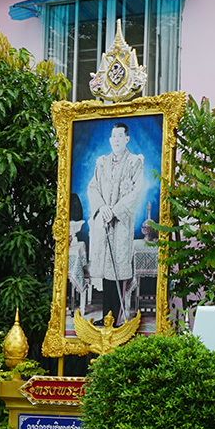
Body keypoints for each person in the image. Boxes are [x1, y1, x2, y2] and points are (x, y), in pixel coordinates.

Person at [86, 122, 145, 322]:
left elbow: (136, 192)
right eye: (114, 137)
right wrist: (102, 208)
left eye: (120, 137)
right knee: (106, 273)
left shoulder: (134, 162)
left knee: (118, 271)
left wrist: (116, 211)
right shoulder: (101, 162)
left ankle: (118, 319)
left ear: (126, 139)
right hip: (104, 222)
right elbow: (92, 187)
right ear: (110, 140)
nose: (116, 140)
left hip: (121, 224)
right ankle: (107, 317)